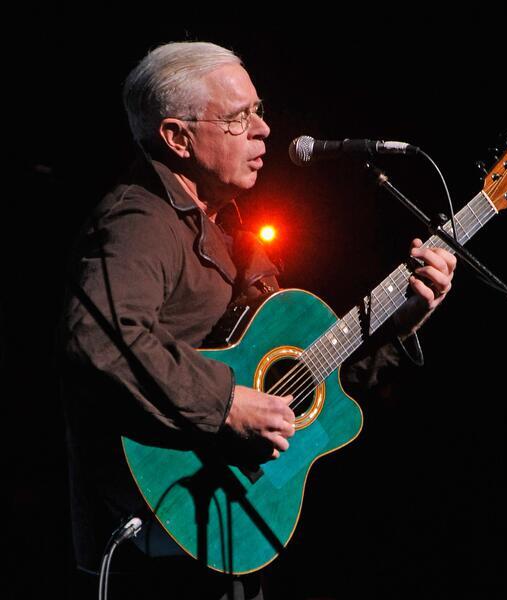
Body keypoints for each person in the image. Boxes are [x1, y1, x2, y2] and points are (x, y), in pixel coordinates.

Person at [59, 41, 457, 599]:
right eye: (238, 117)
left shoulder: (235, 234)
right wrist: (225, 403)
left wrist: (402, 321)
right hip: (158, 544)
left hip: (227, 526)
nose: (263, 130)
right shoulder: (139, 221)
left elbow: (306, 384)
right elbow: (97, 343)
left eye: (259, 110)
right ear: (177, 137)